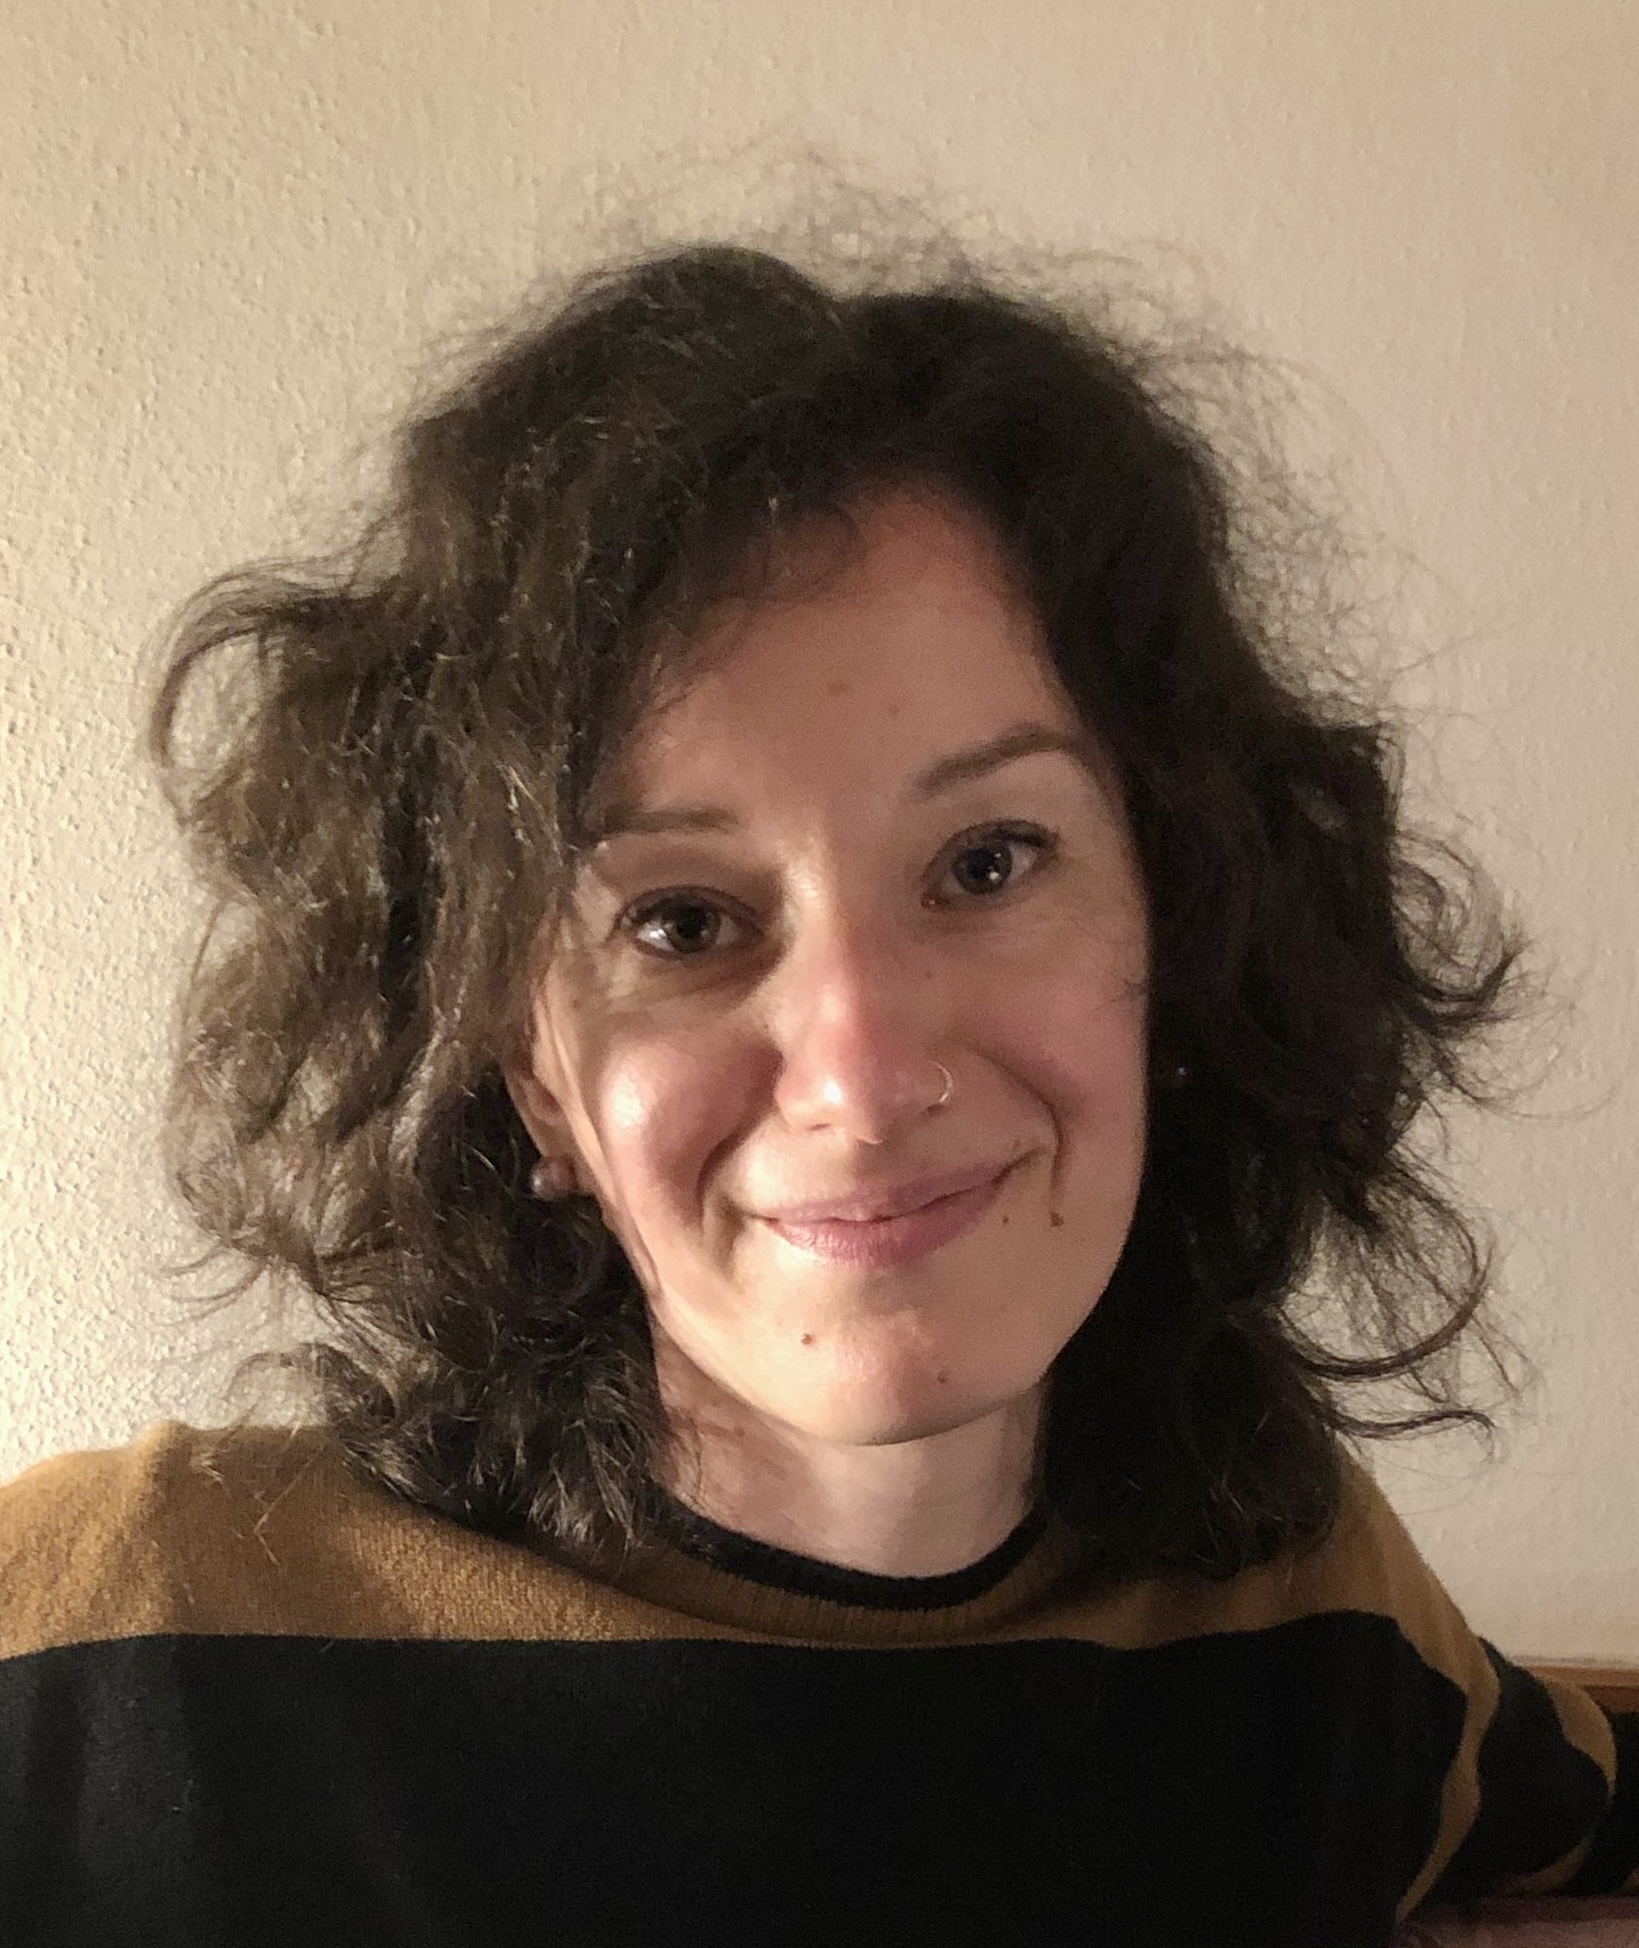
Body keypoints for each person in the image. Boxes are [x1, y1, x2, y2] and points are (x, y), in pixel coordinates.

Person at [0, 241, 1633, 1946]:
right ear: (534, 1074)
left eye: (989, 862)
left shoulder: (1317, 1626)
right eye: (682, 922)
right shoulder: (127, 1640)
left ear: (1183, 929)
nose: (861, 1075)